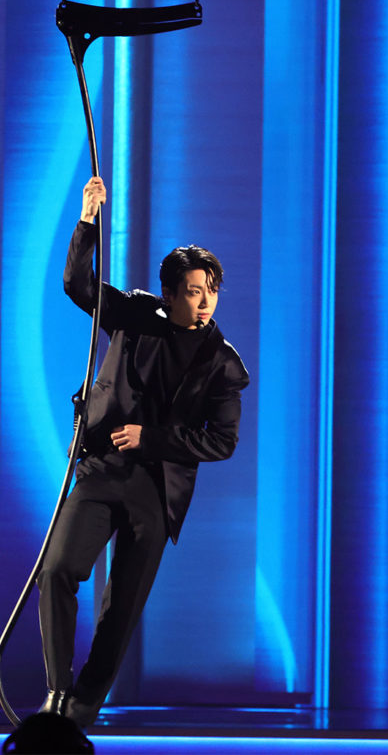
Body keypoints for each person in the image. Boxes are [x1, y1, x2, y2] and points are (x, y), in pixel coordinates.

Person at [35, 176, 250, 728]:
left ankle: (83, 704)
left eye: (212, 291)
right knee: (58, 569)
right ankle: (57, 692)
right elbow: (78, 285)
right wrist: (87, 220)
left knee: (122, 608)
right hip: (104, 468)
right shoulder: (134, 315)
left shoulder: (223, 363)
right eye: (194, 291)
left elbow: (221, 441)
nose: (204, 303)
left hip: (156, 489)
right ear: (171, 292)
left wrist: (151, 439)